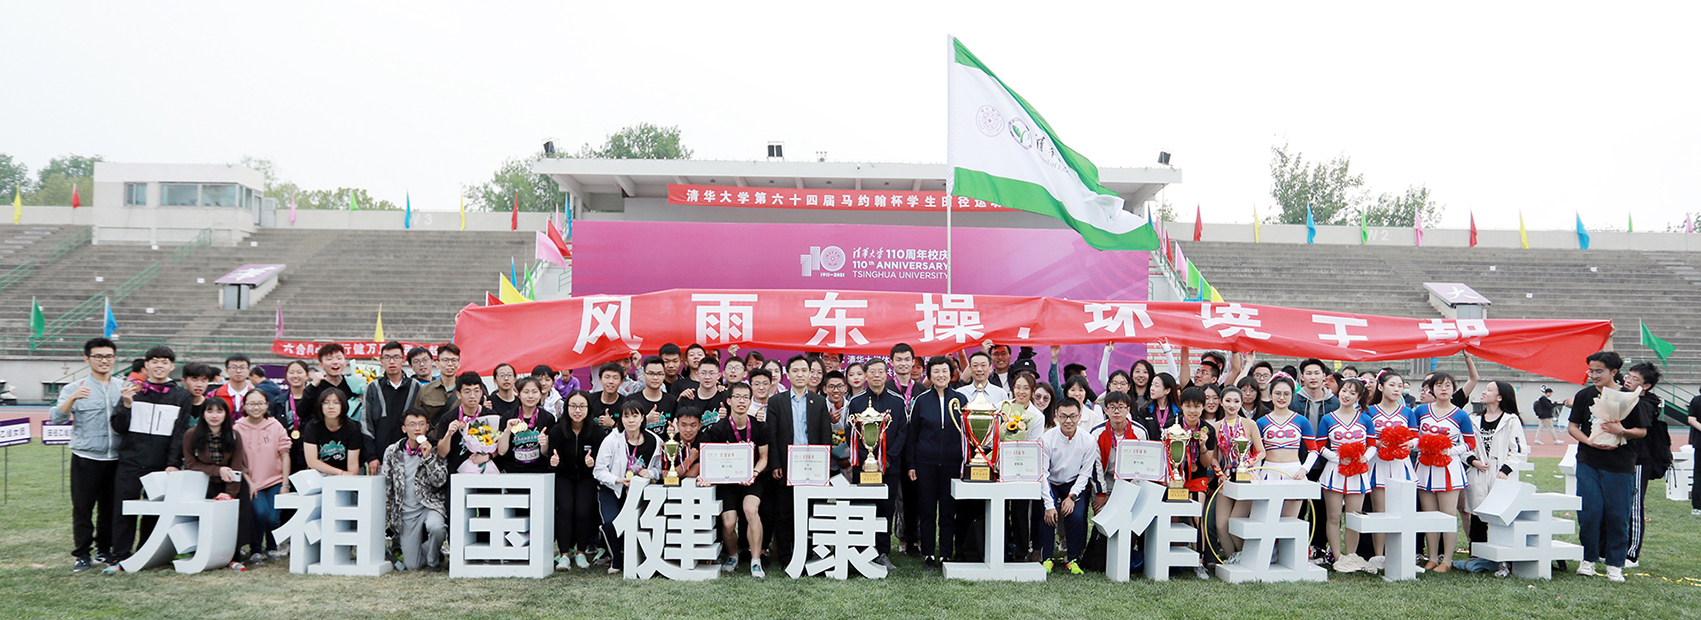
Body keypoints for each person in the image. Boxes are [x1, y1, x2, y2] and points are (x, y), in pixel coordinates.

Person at [107, 345, 192, 569]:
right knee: (124, 508)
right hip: (130, 460)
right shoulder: (133, 391)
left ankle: (146, 551)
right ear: (146, 366)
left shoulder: (181, 396)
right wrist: (126, 405)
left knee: (155, 510)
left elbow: (179, 433)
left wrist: (173, 463)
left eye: (164, 362)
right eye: (154, 361)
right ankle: (120, 554)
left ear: (172, 366)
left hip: (161, 463)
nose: (159, 366)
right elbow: (118, 427)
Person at [1567, 350, 1642, 582]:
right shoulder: (1584, 395)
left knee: (1618, 515)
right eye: (1591, 371)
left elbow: (1642, 431)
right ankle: (1588, 559)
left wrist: (1622, 431)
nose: (1594, 375)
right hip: (1589, 461)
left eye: (1599, 371)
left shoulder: (1628, 397)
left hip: (1620, 465)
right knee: (1590, 512)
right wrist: (1588, 441)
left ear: (1614, 372)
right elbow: (1573, 427)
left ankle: (1615, 564)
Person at [54, 338, 127, 572]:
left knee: (110, 508)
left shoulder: (122, 387)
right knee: (83, 508)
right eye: (98, 356)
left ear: (115, 359)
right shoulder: (73, 388)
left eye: (109, 356)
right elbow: (57, 418)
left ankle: (103, 550)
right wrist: (72, 399)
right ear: (87, 359)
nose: (104, 361)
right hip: (86, 457)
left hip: (116, 458)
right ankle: (82, 554)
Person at [767, 355, 831, 564]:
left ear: (810, 374)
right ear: (788, 375)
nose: (800, 374)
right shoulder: (776, 401)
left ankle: (811, 553)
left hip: (813, 465)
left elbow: (825, 435)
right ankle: (786, 556)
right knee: (785, 512)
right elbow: (772, 436)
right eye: (795, 370)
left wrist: (824, 466)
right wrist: (775, 464)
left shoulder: (819, 402)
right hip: (787, 465)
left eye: (804, 370)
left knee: (812, 509)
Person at [905, 355, 967, 569]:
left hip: (953, 464)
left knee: (949, 511)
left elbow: (967, 435)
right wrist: (911, 464)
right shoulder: (921, 400)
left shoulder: (961, 400)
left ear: (951, 374)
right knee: (927, 510)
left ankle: (946, 553)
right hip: (925, 463)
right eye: (936, 371)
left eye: (945, 371)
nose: (941, 375)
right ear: (929, 375)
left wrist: (965, 464)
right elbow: (912, 435)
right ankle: (929, 553)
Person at [703, 382, 771, 576]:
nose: (742, 401)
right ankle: (733, 555)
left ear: (750, 402)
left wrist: (754, 473)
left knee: (751, 510)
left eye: (746, 398)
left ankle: (755, 560)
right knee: (728, 523)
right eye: (737, 397)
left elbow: (764, 458)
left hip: (752, 479)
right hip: (727, 482)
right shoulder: (718, 429)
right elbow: (712, 458)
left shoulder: (759, 426)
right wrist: (708, 476)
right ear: (729, 401)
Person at [1463, 380, 1529, 577]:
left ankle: (1504, 561)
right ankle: (1477, 557)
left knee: (1501, 518)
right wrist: (1473, 461)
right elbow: (1464, 445)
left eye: (1489, 389)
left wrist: (1506, 470)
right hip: (1478, 474)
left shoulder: (1511, 420)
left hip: (1501, 476)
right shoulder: (1473, 418)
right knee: (1477, 516)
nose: (1484, 392)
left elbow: (1518, 450)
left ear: (1500, 397)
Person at [845, 359, 906, 569]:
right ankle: (861, 550)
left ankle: (882, 551)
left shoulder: (897, 402)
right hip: (863, 467)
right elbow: (851, 433)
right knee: (862, 507)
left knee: (886, 509)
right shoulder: (856, 402)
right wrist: (866, 459)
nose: (877, 375)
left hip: (889, 467)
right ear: (866, 375)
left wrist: (886, 459)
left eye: (881, 371)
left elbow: (902, 433)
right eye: (872, 372)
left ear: (887, 374)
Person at [180, 397, 254, 571]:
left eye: (219, 411)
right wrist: (217, 470)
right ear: (203, 414)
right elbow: (190, 464)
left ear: (226, 414)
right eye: (210, 411)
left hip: (232, 482)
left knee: (239, 516)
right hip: (204, 483)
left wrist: (230, 493)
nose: (214, 415)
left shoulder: (234, 435)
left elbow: (236, 466)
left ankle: (234, 556)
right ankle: (203, 553)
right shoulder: (191, 434)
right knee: (207, 521)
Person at [1314, 379, 1376, 573]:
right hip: (1335, 472)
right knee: (1333, 517)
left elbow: (1372, 445)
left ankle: (1351, 556)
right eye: (1344, 390)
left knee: (1353, 517)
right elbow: (1319, 446)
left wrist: (1365, 457)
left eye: (1352, 392)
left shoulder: (1365, 419)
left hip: (1358, 472)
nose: (1346, 395)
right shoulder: (1328, 418)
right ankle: (1337, 556)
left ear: (1358, 397)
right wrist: (1337, 458)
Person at [1414, 372, 1474, 573]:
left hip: (1449, 469)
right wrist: (1419, 445)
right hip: (1425, 468)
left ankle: (1447, 560)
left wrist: (1449, 451)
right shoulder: (1421, 410)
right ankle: (1432, 558)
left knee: (1448, 516)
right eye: (1438, 385)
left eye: (1448, 385)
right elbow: (1414, 437)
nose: (1443, 389)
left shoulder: (1460, 414)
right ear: (1431, 389)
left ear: (1454, 389)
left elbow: (1470, 443)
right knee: (1429, 515)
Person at [594, 401, 664, 573]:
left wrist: (650, 473)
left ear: (642, 418)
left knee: (643, 522)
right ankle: (617, 560)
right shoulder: (611, 440)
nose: (631, 420)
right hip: (613, 490)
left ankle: (642, 557)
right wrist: (617, 480)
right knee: (610, 522)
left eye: (635, 415)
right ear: (621, 419)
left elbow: (660, 469)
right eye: (626, 416)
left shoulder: (654, 440)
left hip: (640, 492)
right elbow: (599, 471)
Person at [1365, 371, 1418, 572]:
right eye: (1392, 385)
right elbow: (1366, 438)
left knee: (1403, 513)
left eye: (1400, 386)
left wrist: (1409, 443)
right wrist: (1379, 443)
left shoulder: (1407, 412)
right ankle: (1378, 556)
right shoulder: (1370, 411)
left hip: (1401, 465)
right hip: (1378, 464)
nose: (1397, 389)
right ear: (1380, 387)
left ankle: (1401, 554)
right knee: (1380, 512)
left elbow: (1416, 437)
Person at [383, 408, 448, 571]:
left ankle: (433, 561)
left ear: (427, 427)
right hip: (406, 511)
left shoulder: (436, 449)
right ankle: (430, 550)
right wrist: (387, 517)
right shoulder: (393, 451)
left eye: (421, 424)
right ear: (404, 429)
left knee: (436, 527)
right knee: (413, 565)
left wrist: (428, 458)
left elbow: (440, 481)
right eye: (412, 425)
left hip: (429, 505)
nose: (417, 429)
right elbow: (388, 486)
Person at [547, 390, 605, 570]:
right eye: (573, 406)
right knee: (564, 509)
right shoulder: (557, 430)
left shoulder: (597, 431)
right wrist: (554, 462)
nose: (577, 411)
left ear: (588, 408)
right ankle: (564, 554)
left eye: (581, 406)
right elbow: (551, 459)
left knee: (583, 511)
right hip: (564, 476)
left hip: (587, 477)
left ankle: (581, 552)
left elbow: (602, 461)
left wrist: (592, 462)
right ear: (566, 408)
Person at [1036, 397, 1094, 574]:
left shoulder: (1088, 440)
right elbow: (1042, 473)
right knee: (1048, 515)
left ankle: (1073, 559)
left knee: (1076, 515)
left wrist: (1071, 497)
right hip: (1051, 482)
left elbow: (1085, 474)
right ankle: (1047, 558)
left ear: (1079, 416)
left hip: (1073, 483)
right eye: (1063, 416)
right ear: (1056, 417)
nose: (1068, 421)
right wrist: (1049, 504)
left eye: (1072, 416)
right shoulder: (1046, 439)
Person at [1209, 387, 1264, 566]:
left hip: (1247, 477)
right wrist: (1219, 473)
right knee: (1221, 525)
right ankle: (1232, 558)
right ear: (1221, 403)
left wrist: (1246, 464)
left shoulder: (1250, 424)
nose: (1232, 405)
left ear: (1241, 403)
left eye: (1236, 401)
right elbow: (1213, 458)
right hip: (1226, 479)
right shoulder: (1216, 427)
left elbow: (1261, 452)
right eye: (1228, 401)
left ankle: (1245, 558)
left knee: (1235, 522)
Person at [234, 390, 290, 564]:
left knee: (273, 518)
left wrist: (285, 484)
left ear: (266, 405)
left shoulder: (275, 426)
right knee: (260, 514)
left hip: (275, 480)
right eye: (251, 404)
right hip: (252, 481)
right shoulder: (237, 428)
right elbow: (236, 461)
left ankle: (272, 547)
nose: (256, 407)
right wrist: (248, 483)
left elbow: (285, 455)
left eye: (260, 403)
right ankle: (256, 549)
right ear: (244, 406)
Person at [1619, 362, 1661, 569]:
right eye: (1628, 376)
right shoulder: (1622, 395)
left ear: (1646, 386)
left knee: (1634, 506)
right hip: (1620, 458)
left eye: (1635, 379)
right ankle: (1607, 549)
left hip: (1639, 461)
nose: (1628, 380)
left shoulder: (1648, 404)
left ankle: (1632, 554)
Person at [1256, 374, 1314, 521]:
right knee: (1267, 520)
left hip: (1294, 473)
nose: (1282, 397)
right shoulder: (1261, 422)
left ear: (1292, 396)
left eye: (1286, 394)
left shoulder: (1302, 421)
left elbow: (1313, 450)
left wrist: (1304, 469)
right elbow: (1256, 453)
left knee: (1289, 521)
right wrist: (1255, 476)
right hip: (1268, 472)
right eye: (1277, 393)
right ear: (1270, 395)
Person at [1175, 387, 1219, 579]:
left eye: (1197, 406)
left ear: (1203, 407)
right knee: (1173, 518)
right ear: (1181, 406)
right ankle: (1173, 559)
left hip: (1197, 477)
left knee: (1197, 517)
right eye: (1188, 406)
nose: (1192, 410)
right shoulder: (1172, 425)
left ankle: (1199, 561)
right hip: (1175, 478)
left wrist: (1202, 446)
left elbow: (1206, 463)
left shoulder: (1208, 429)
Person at [362, 341, 421, 475]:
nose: (392, 361)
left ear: (403, 360)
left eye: (396, 357)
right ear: (381, 361)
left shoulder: (415, 386)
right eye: (387, 358)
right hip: (380, 458)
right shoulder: (373, 388)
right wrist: (371, 456)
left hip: (410, 456)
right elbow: (366, 424)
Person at [1090, 391, 1149, 512]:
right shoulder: (1096, 433)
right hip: (1106, 482)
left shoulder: (1140, 432)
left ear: (1128, 410)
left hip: (1131, 482)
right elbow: (1095, 465)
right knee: (1102, 516)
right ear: (1106, 411)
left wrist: (1132, 490)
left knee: (1130, 517)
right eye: (1112, 407)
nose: (1116, 411)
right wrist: (1101, 493)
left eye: (1121, 407)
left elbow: (1143, 464)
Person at [435, 372, 496, 474]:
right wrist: (449, 434)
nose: (472, 396)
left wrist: (488, 456)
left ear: (481, 393)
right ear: (458, 395)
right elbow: (442, 453)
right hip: (457, 473)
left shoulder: (491, 416)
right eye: (467, 391)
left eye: (476, 391)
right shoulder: (448, 418)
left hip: (485, 472)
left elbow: (498, 447)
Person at [165, 362, 219, 471]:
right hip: (173, 460)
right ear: (183, 381)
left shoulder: (211, 407)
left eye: (204, 380)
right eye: (194, 379)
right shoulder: (174, 405)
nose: (199, 385)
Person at [497, 376, 554, 474]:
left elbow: (546, 453)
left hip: (539, 472)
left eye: (535, 392)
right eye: (526, 392)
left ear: (540, 394)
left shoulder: (548, 418)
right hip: (512, 471)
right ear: (518, 394)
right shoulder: (508, 416)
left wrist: (545, 443)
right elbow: (501, 452)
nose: (530, 396)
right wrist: (507, 430)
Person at [303, 390, 362, 477]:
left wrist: (348, 478)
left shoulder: (352, 427)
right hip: (320, 474)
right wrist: (340, 473)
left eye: (336, 402)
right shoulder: (312, 426)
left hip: (345, 476)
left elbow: (353, 465)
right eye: (326, 403)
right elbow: (312, 462)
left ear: (343, 405)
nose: (331, 407)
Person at [270, 360, 312, 474]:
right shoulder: (278, 402)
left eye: (299, 372)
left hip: (310, 454)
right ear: (286, 376)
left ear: (307, 375)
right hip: (286, 454)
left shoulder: (315, 400)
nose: (295, 376)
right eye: (291, 372)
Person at [624, 356, 677, 437]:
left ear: (664, 376)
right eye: (651, 373)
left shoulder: (671, 400)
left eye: (659, 374)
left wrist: (673, 430)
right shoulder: (632, 400)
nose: (655, 377)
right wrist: (646, 420)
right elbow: (624, 428)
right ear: (643, 375)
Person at [411, 344, 462, 421]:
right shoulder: (425, 390)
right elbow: (417, 418)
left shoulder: (465, 389)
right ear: (437, 364)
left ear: (459, 364)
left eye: (454, 360)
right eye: (445, 360)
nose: (450, 364)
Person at [677, 358, 727, 426]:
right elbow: (677, 424)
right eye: (703, 373)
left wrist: (726, 418)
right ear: (697, 375)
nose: (707, 377)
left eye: (711, 373)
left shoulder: (726, 397)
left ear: (718, 376)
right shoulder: (687, 398)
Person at [1134, 372, 1180, 440]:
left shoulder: (1178, 412)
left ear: (1167, 390)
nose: (1152, 389)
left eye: (1156, 386)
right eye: (1152, 385)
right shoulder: (1145, 410)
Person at [589, 362, 626, 430]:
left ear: (621, 382)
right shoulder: (589, 400)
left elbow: (630, 430)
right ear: (600, 380)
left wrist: (613, 424)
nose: (611, 381)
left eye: (615, 378)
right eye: (607, 377)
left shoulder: (626, 403)